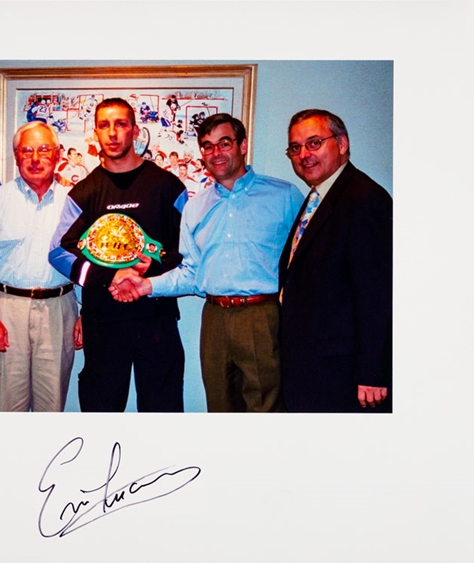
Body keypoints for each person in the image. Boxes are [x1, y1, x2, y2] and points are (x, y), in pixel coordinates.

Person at [110, 113, 304, 412]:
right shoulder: (196, 206)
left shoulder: (284, 195)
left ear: (242, 145)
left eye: (224, 143)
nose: (216, 153)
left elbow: (304, 264)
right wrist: (145, 285)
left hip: (262, 316)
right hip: (213, 319)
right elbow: (190, 274)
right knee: (220, 409)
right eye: (207, 146)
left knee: (266, 410)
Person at [49, 97, 188, 412]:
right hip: (104, 322)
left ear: (135, 131)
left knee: (163, 415)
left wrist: (152, 267)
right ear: (95, 133)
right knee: (102, 415)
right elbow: (58, 252)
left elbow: (189, 251)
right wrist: (110, 276)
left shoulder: (169, 187)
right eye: (104, 125)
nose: (112, 133)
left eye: (121, 124)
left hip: (157, 320)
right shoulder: (83, 192)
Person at [279, 109, 392, 412]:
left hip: (345, 375)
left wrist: (374, 372)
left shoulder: (365, 199)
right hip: (313, 366)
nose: (304, 154)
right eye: (295, 147)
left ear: (342, 144)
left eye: (314, 143)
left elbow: (378, 295)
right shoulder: (319, 196)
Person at [0, 122, 80, 412]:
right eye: (26, 151)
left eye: (44, 150)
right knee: (8, 405)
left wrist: (87, 313)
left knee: (51, 404)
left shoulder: (74, 203)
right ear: (16, 156)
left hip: (59, 309)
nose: (35, 158)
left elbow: (87, 264)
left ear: (57, 156)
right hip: (8, 310)